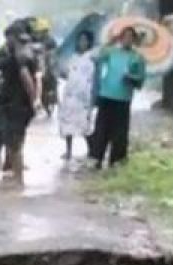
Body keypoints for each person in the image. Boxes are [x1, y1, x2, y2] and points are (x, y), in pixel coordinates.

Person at [0, 22, 38, 182]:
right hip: (5, 99)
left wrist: (34, 100)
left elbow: (28, 79)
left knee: (13, 142)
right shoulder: (10, 50)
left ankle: (16, 179)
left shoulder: (23, 52)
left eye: (8, 38)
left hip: (17, 103)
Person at [89, 26, 146, 168]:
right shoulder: (111, 52)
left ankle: (116, 160)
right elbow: (94, 56)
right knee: (101, 129)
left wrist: (131, 77)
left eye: (130, 37)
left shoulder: (137, 57)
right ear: (121, 38)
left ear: (134, 40)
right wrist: (110, 41)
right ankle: (96, 158)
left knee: (120, 132)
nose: (127, 39)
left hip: (123, 98)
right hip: (106, 95)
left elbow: (140, 80)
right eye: (124, 36)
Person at [59, 30, 97, 161]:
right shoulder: (73, 57)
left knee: (85, 126)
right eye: (80, 40)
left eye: (85, 40)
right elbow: (66, 74)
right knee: (67, 125)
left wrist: (93, 97)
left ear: (89, 42)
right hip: (70, 95)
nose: (82, 43)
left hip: (84, 96)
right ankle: (68, 151)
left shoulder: (92, 57)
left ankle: (92, 151)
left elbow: (93, 78)